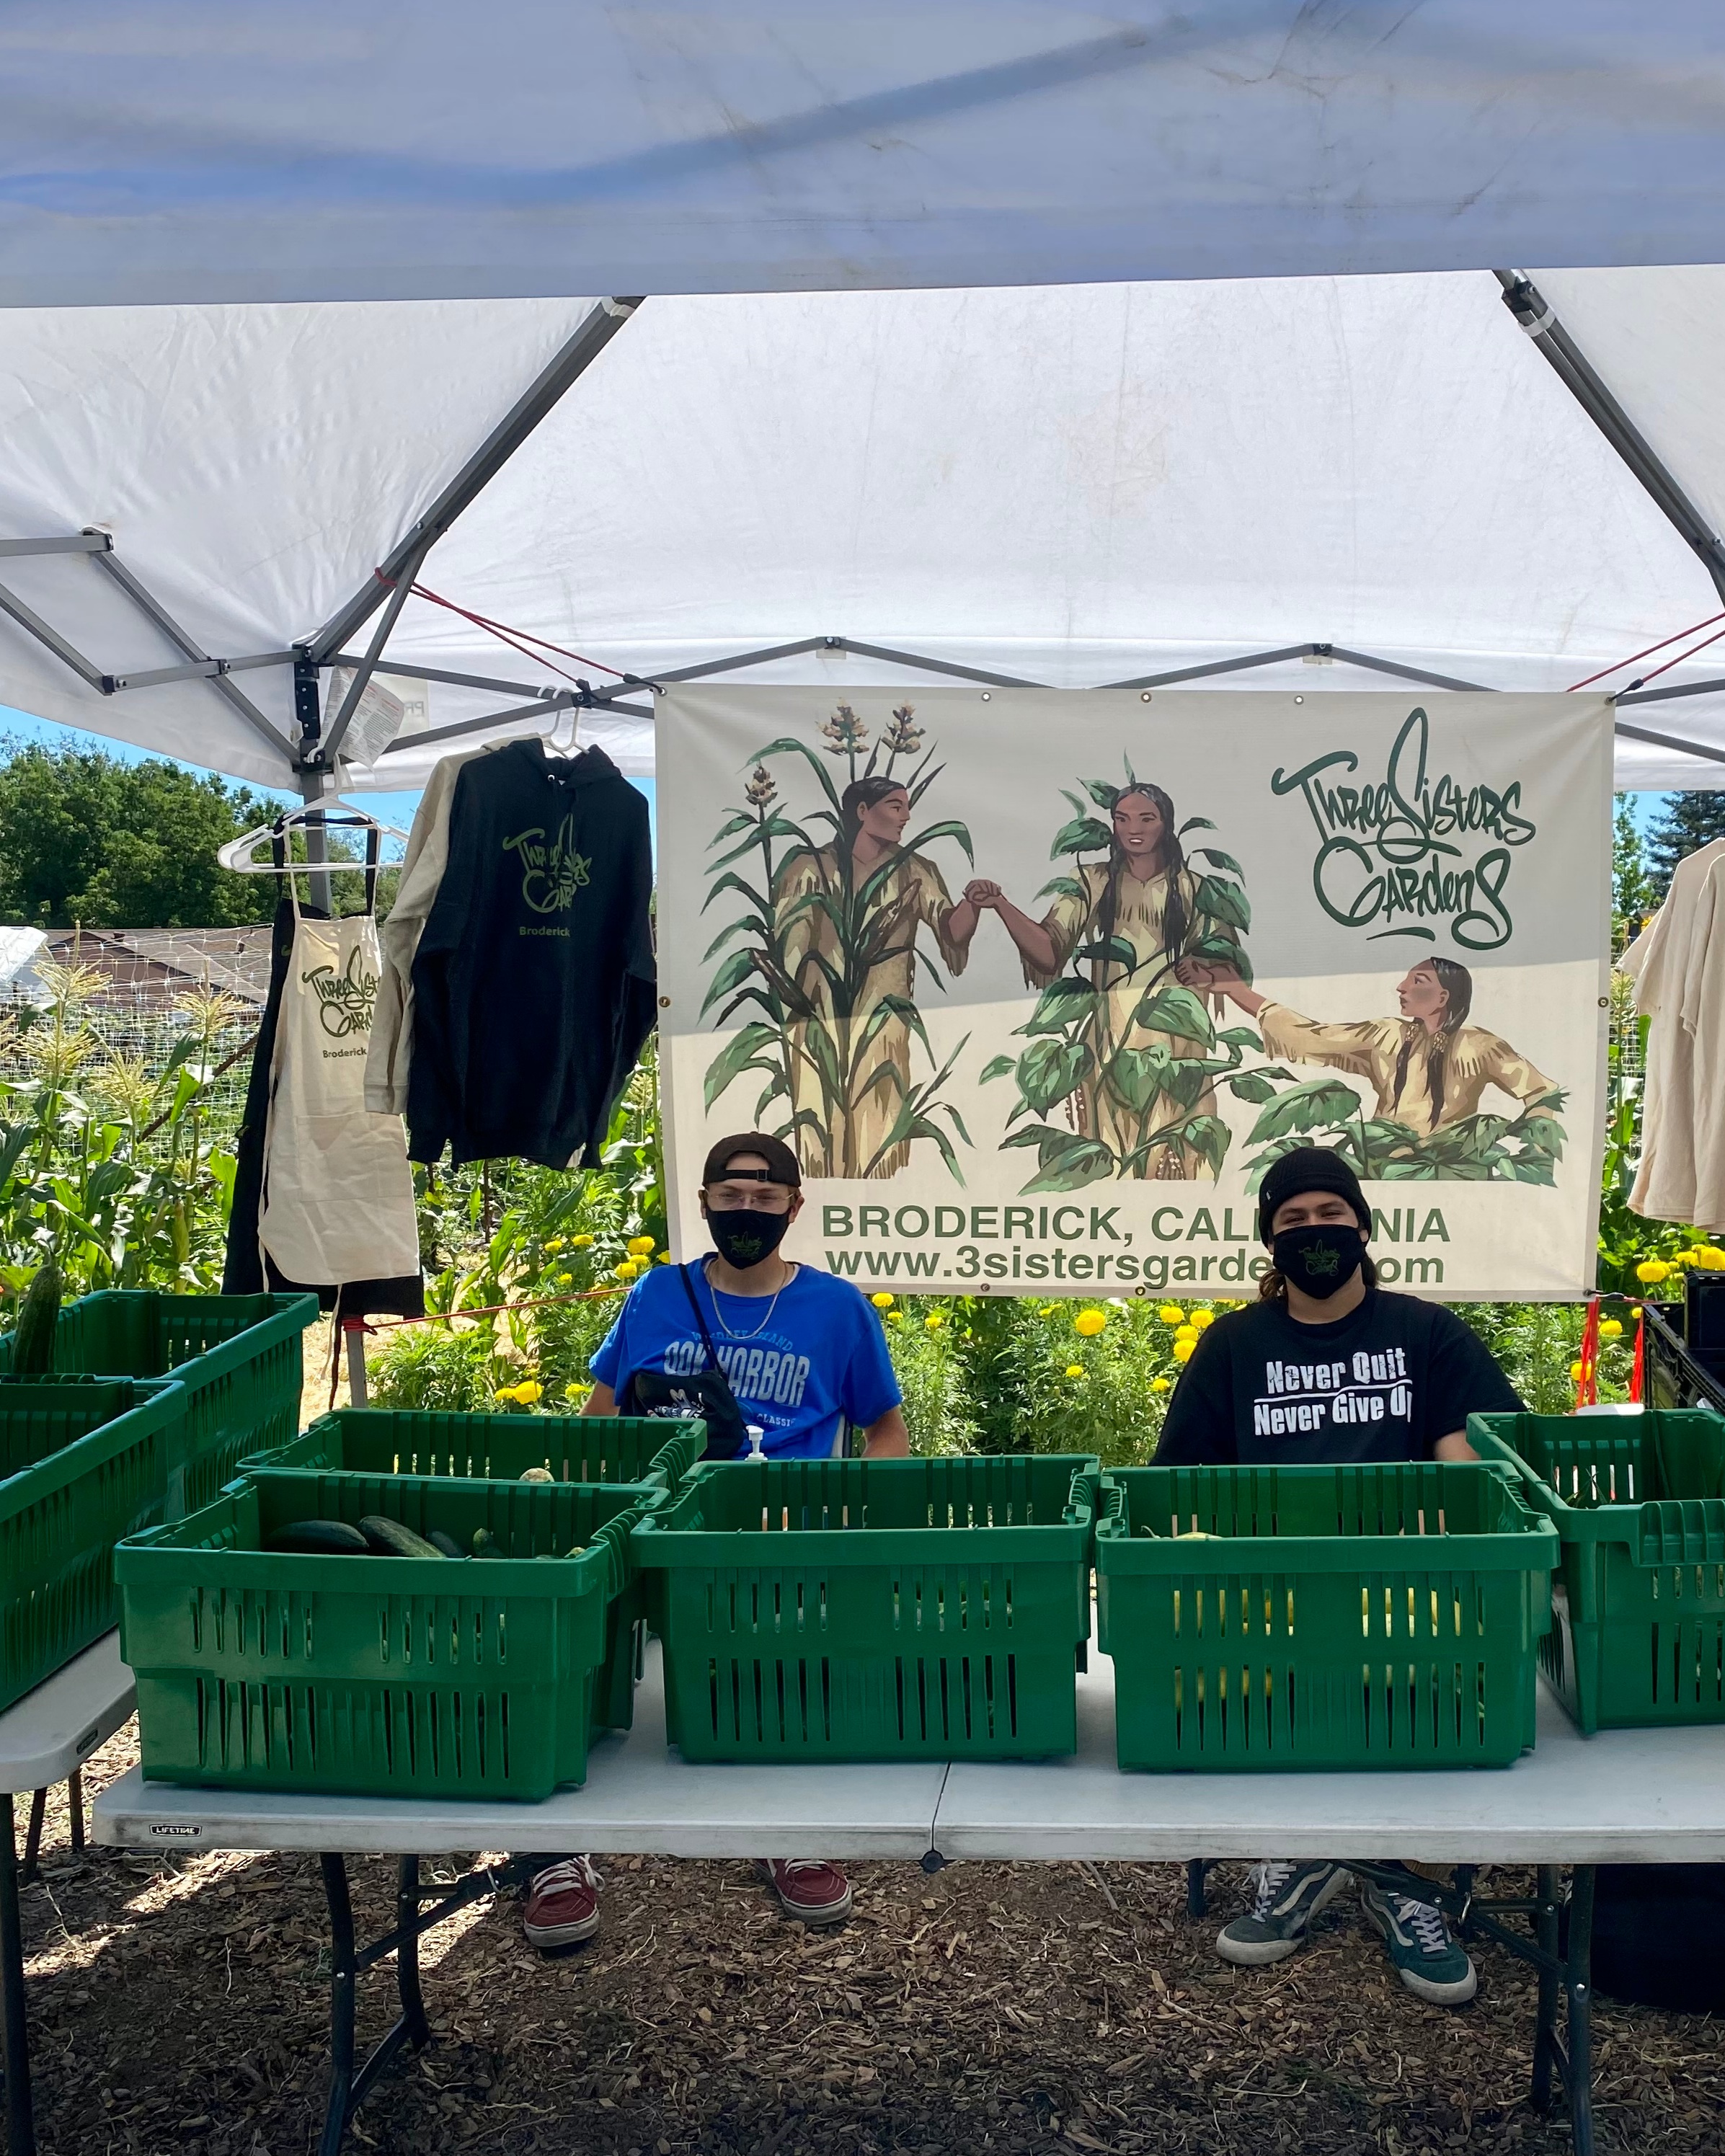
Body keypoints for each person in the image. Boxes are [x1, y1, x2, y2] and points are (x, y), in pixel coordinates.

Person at [510, 1130, 908, 1953]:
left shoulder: (840, 1311)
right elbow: (602, 1417)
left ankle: (789, 1830)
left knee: (780, 1689)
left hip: (774, 1546)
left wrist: (852, 1520)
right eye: (731, 1196)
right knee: (569, 1666)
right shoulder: (655, 1295)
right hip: (653, 1531)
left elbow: (887, 1431)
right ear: (703, 1204)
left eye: (766, 1198)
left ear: (795, 1208)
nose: (747, 1212)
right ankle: (555, 1854)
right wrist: (588, 1507)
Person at [1151, 1146, 1521, 2007]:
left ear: (1362, 1227)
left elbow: (1472, 1461)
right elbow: (1181, 1485)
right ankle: (1308, 1855)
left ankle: (1406, 1881)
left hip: (1407, 1596)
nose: (1314, 1234)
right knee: (1282, 1719)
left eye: (1329, 1217)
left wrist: (1440, 1517)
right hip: (1269, 1596)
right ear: (1269, 1244)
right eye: (1292, 1222)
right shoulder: (1234, 1344)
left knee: (1418, 1715)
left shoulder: (1426, 1333)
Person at [967, 781, 1238, 1179]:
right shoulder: (1092, 882)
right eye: (1123, 818)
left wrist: (1204, 971)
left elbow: (1230, 967)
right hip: (1112, 1035)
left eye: (1147, 818)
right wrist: (1001, 906)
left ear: (1166, 825)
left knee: (1179, 1151)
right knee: (1115, 1152)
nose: (1135, 828)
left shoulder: (1195, 888)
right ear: (1111, 825)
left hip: (1178, 1036)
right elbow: (1048, 951)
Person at [776, 776, 983, 1178]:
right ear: (862, 812)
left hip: (883, 1014)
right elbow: (791, 945)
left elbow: (950, 932)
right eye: (895, 806)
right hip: (820, 1015)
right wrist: (806, 996)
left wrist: (972, 906)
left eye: (906, 806)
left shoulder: (916, 869)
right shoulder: (812, 866)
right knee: (819, 1118)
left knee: (881, 1112)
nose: (907, 816)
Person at [1189, 957, 1555, 1141]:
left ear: (1443, 997)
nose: (1401, 986)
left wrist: (1522, 1144)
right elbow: (1311, 1036)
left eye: (1417, 981)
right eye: (1407, 979)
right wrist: (1238, 991)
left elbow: (1543, 1093)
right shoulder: (1386, 1036)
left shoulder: (1481, 1046)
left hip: (1451, 1168)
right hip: (1382, 1164)